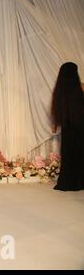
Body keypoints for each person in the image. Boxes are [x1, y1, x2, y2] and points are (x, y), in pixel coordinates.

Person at [51, 62, 84, 191]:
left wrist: (54, 125)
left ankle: (67, 182)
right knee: (80, 154)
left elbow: (56, 111)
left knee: (68, 154)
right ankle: (80, 181)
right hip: (81, 127)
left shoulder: (60, 91)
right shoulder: (81, 87)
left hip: (67, 128)